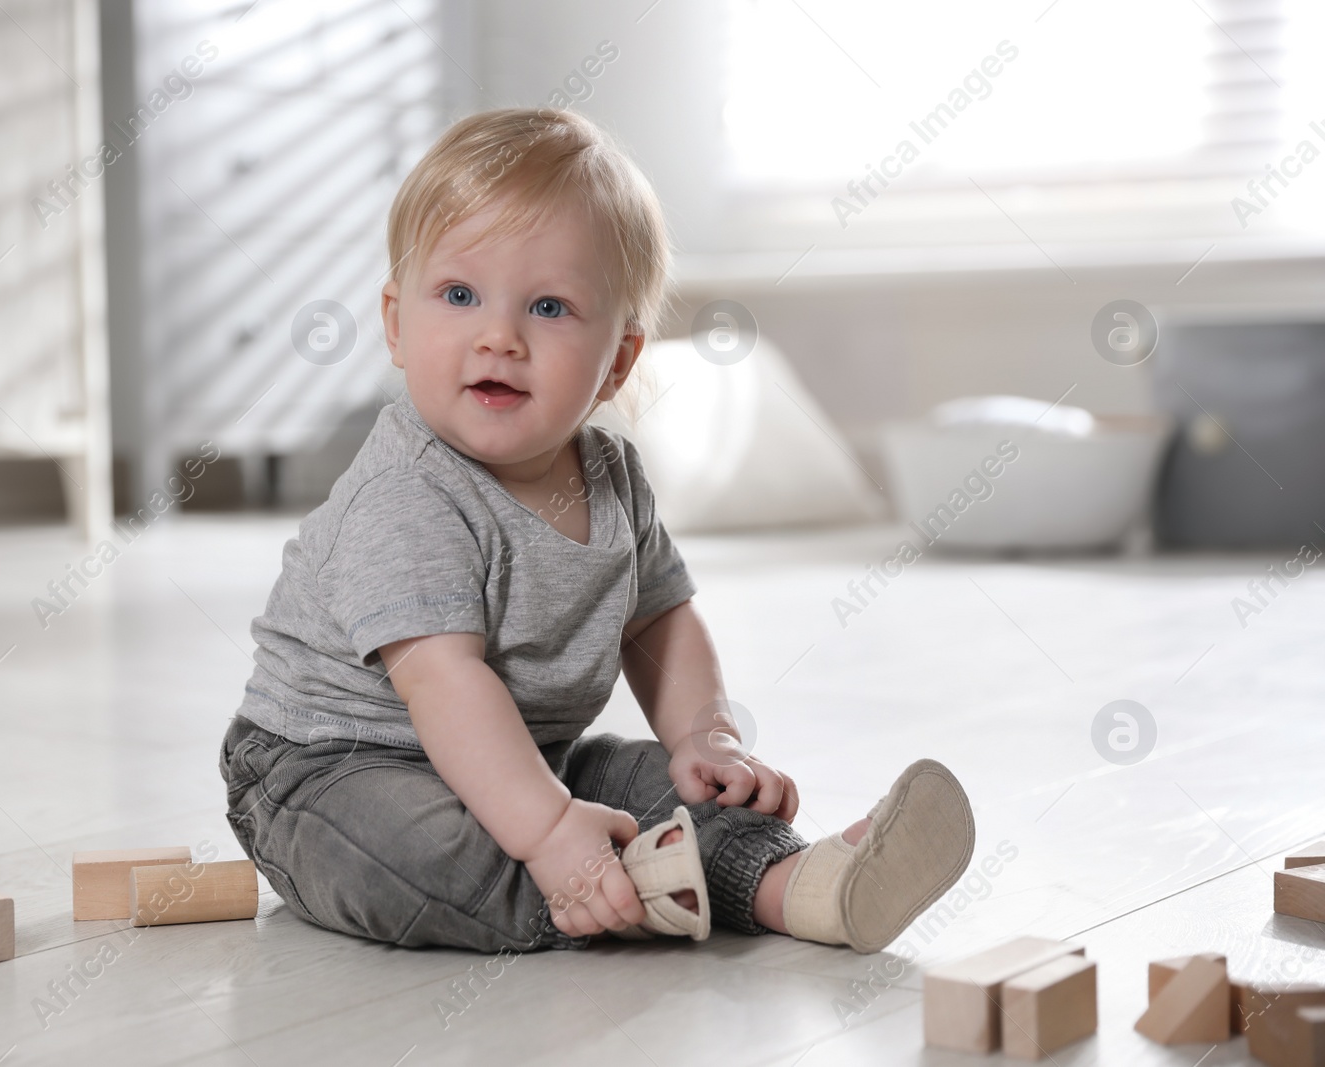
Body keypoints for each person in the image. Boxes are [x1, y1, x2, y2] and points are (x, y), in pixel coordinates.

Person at [219, 107, 974, 953]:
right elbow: (443, 684)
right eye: (459, 295)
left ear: (618, 359)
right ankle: (614, 885)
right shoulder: (408, 493)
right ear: (397, 323)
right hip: (330, 770)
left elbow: (661, 618)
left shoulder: (612, 477)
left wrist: (703, 739)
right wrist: (546, 833)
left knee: (659, 788)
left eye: (548, 306)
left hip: (531, 757)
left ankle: (805, 886)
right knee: (439, 849)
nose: (498, 336)